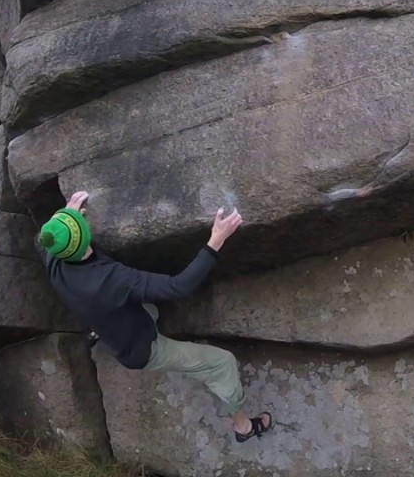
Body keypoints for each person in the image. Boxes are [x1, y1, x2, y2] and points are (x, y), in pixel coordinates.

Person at [37, 190, 273, 443]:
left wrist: (65, 215)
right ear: (84, 241)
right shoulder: (112, 280)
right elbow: (178, 287)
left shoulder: (52, 254)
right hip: (143, 350)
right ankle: (243, 426)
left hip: (117, 321)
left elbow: (46, 235)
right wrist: (215, 241)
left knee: (151, 309)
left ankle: (100, 329)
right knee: (222, 362)